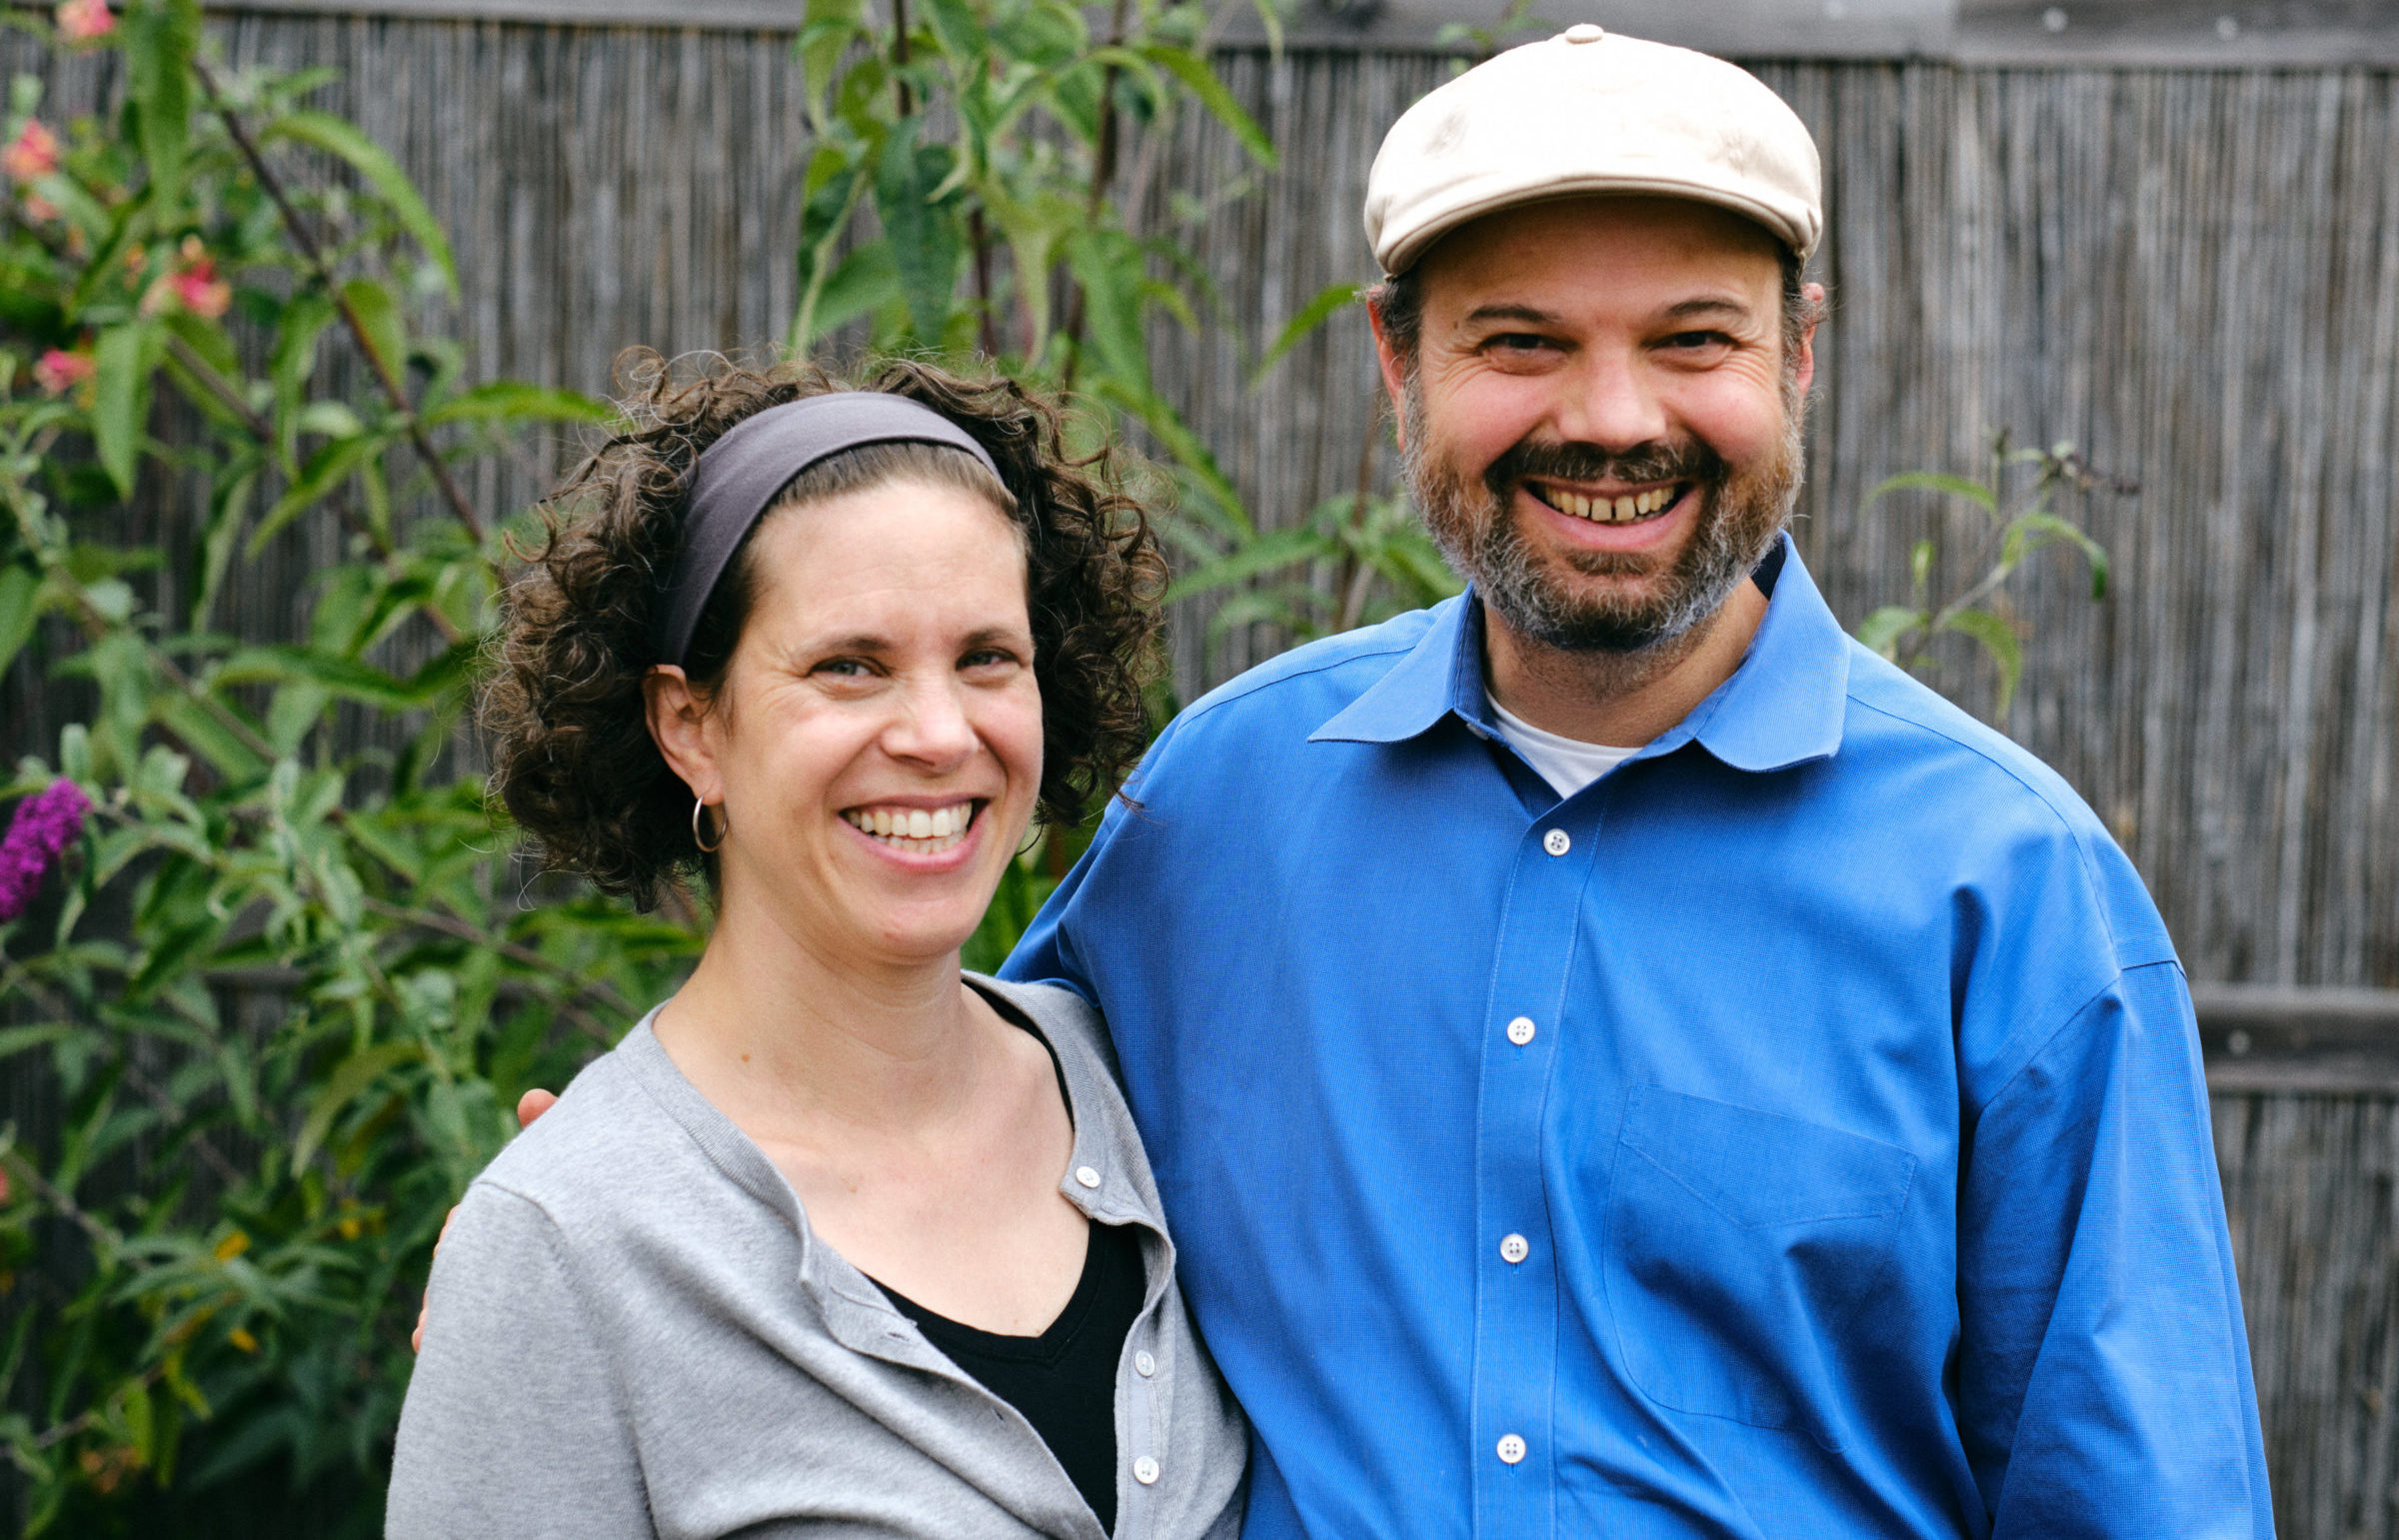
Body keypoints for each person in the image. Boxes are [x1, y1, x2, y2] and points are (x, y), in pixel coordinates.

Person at [998, 28, 2277, 1538]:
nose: (1612, 419)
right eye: (1522, 341)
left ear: (1799, 353)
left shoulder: (2009, 887)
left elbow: (2135, 1499)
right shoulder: (1216, 810)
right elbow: (953, 1177)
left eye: (1692, 341)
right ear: (1397, 361)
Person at [389, 356, 1245, 1539]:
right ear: (690, 724)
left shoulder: (1146, 1082)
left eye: (987, 657)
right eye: (851, 665)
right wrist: (536, 1239)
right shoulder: (568, 1245)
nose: (941, 733)